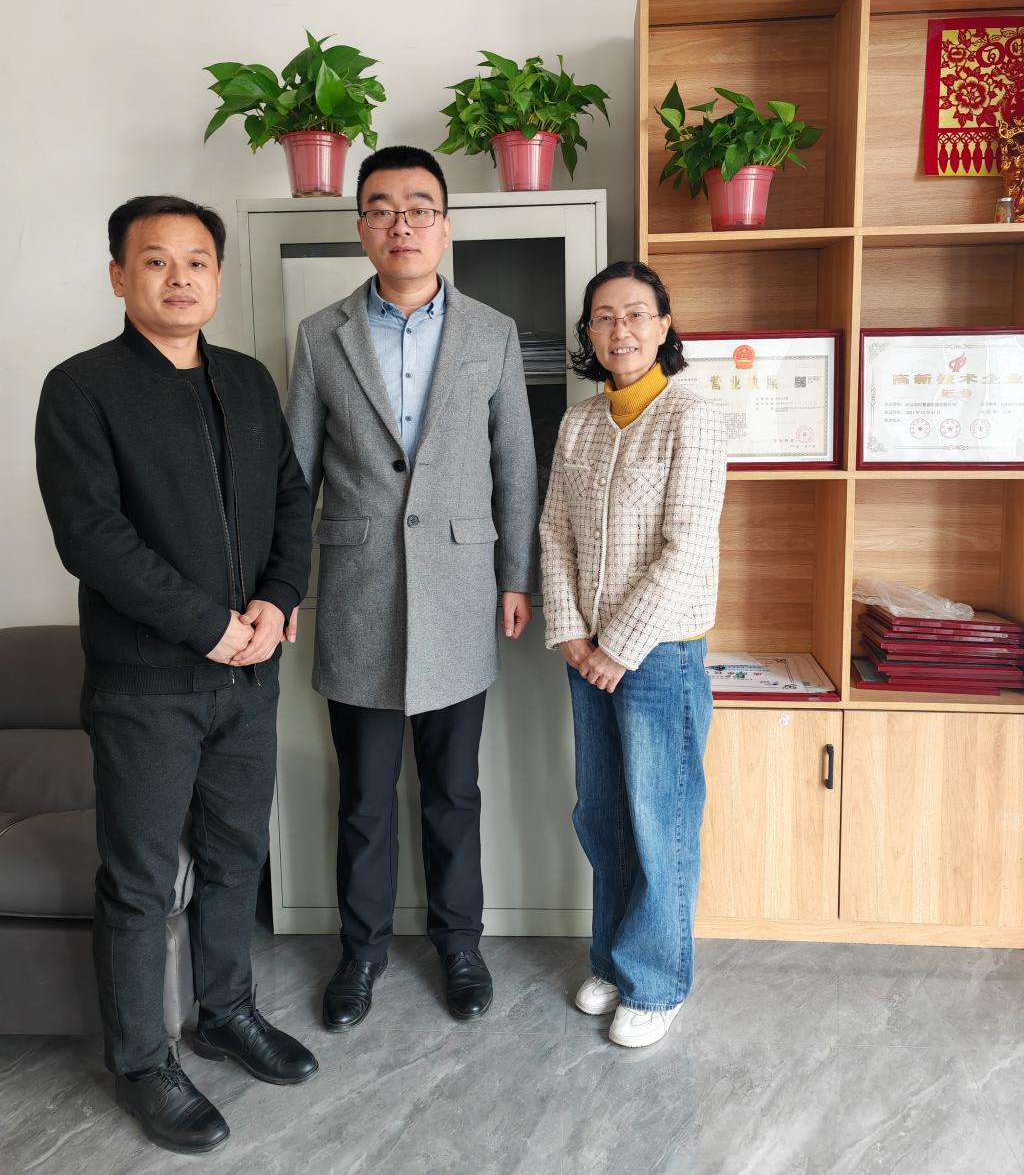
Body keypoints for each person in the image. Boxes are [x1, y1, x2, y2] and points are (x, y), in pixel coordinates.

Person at [35, 195, 317, 1155]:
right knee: (141, 880)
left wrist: (277, 599)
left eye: (197, 260)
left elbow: (291, 499)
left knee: (238, 855)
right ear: (119, 276)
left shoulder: (247, 381)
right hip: (146, 683)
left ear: (218, 276)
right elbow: (92, 537)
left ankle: (226, 1012)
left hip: (249, 676)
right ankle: (141, 1060)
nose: (180, 276)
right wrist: (208, 626)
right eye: (155, 260)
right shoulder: (81, 388)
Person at [286, 145, 537, 1029]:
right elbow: (295, 474)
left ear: (445, 226)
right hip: (356, 592)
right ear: (361, 227)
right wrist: (284, 587)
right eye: (384, 209)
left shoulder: (492, 332)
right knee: (362, 796)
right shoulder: (319, 336)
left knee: (453, 791)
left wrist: (515, 575)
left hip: (461, 591)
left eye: (419, 208)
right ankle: (359, 955)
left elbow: (515, 463)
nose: (403, 224)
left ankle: (459, 946)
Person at [539, 260, 727, 1049]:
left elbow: (687, 546)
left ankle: (657, 981)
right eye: (604, 316)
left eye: (637, 313)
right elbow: (554, 530)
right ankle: (614, 962)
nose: (620, 329)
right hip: (587, 654)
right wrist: (571, 632)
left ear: (664, 325)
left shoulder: (693, 415)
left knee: (660, 816)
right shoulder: (579, 422)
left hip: (660, 654)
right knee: (603, 813)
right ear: (588, 331)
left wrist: (616, 645)